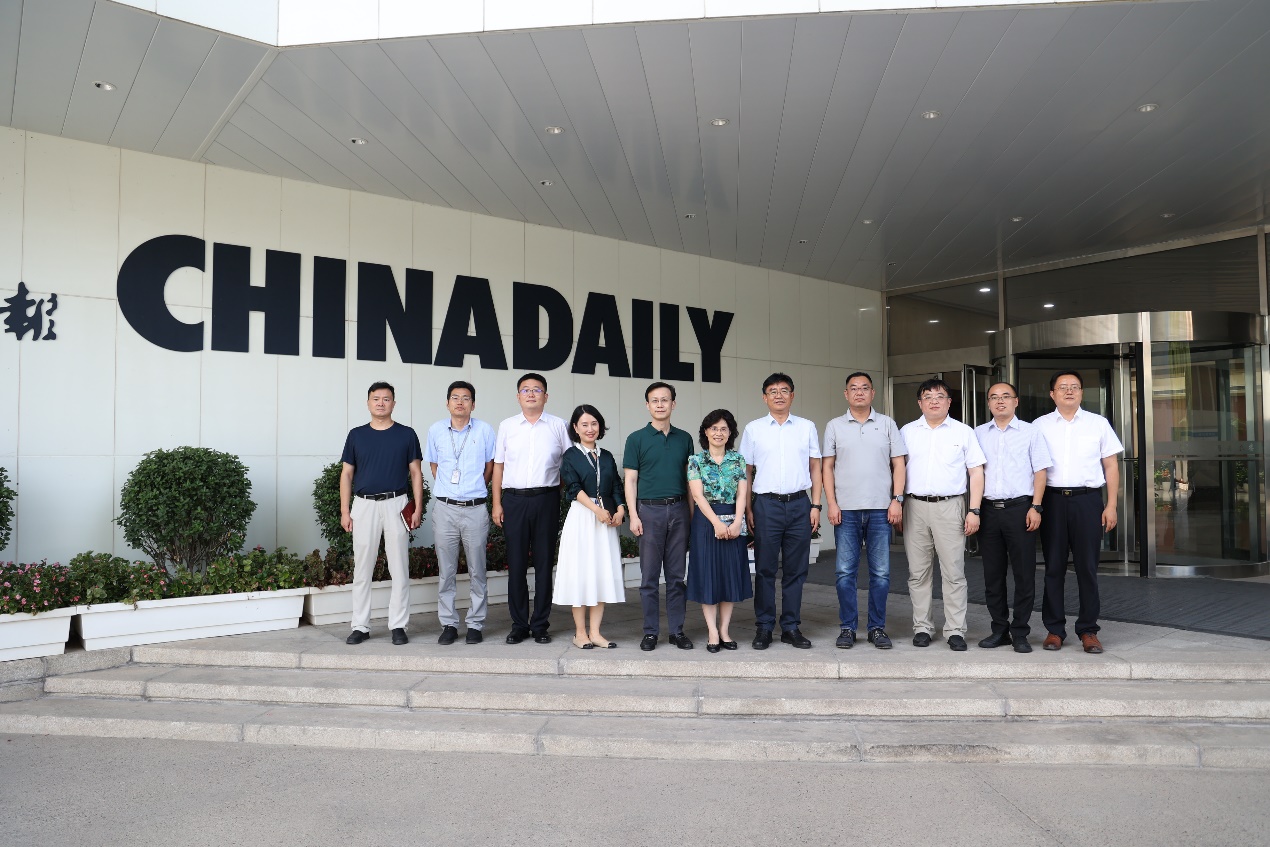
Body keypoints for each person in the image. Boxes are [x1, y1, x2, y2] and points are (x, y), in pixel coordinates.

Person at [1033, 370, 1124, 654]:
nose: (1069, 391)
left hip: (1088, 501)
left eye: (1074, 387)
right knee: (1053, 568)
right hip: (1052, 501)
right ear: (1052, 394)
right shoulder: (1039, 426)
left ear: (1082, 393)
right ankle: (1054, 630)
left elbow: (1111, 466)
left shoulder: (1098, 424)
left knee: (1087, 568)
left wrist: (1111, 505)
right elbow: (1033, 468)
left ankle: (1088, 630)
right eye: (1063, 387)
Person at [821, 372, 906, 650]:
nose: (859, 392)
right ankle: (847, 628)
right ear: (846, 394)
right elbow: (827, 467)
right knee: (845, 573)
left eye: (864, 388)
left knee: (880, 574)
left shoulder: (887, 424)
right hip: (846, 511)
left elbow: (899, 464)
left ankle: (876, 628)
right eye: (854, 388)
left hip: (881, 509)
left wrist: (897, 499)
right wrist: (831, 503)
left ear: (873, 393)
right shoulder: (834, 426)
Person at [899, 378, 985, 651]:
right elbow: (897, 470)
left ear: (949, 402)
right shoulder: (907, 432)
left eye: (940, 396)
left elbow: (976, 472)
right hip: (914, 506)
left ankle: (955, 630)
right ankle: (922, 627)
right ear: (920, 403)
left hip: (951, 506)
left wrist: (974, 510)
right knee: (918, 572)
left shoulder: (963, 432)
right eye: (928, 396)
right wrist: (896, 503)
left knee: (954, 572)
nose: (934, 401)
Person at [339, 381, 424, 646]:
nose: (381, 403)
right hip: (363, 505)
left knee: (399, 566)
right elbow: (347, 474)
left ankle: (398, 625)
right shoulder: (356, 435)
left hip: (396, 503)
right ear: (368, 403)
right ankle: (360, 626)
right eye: (376, 398)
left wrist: (418, 507)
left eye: (386, 399)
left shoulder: (406, 434)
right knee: (362, 568)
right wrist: (344, 510)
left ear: (393, 404)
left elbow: (416, 473)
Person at [741, 373, 822, 650]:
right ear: (764, 397)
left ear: (792, 396)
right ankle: (764, 627)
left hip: (800, 504)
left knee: (796, 569)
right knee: (765, 568)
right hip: (766, 505)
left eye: (784, 390)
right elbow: (746, 472)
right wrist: (748, 507)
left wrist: (815, 505)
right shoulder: (753, 429)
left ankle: (790, 627)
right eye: (773, 391)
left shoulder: (806, 427)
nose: (779, 395)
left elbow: (815, 467)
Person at [491, 373, 571, 645]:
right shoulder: (507, 426)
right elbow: (499, 466)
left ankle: (540, 625)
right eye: (525, 390)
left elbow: (568, 464)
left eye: (537, 390)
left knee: (544, 563)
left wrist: (554, 491)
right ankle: (519, 625)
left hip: (546, 499)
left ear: (546, 396)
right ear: (518, 397)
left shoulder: (559, 425)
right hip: (514, 501)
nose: (531, 394)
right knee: (516, 564)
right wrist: (497, 503)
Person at [973, 382, 1052, 654]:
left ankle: (1020, 632)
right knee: (992, 575)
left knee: (1024, 574)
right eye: (994, 397)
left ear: (1016, 401)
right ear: (988, 403)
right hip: (988, 511)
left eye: (1006, 396)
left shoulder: (1031, 432)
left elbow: (1040, 472)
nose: (1000, 401)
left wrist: (1036, 506)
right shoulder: (978, 434)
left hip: (1020, 509)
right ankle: (999, 629)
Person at [623, 382, 696, 651]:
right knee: (649, 578)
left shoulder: (684, 439)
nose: (660, 404)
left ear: (673, 404)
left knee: (677, 577)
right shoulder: (636, 439)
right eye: (655, 400)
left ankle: (677, 631)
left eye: (665, 400)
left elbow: (690, 481)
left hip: (679, 509)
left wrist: (691, 516)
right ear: (647, 405)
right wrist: (633, 515)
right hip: (649, 511)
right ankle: (651, 632)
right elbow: (630, 481)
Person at [425, 380, 495, 646]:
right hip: (445, 508)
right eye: (455, 397)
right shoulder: (436, 430)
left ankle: (475, 623)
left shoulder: (485, 430)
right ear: (447, 403)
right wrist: (449, 490)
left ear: (473, 404)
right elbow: (434, 465)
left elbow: (490, 466)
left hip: (475, 509)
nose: (460, 402)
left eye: (466, 398)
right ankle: (449, 624)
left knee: (478, 570)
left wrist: (475, 489)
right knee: (447, 571)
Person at [553, 405, 627, 649]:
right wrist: (596, 510)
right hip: (583, 517)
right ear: (575, 428)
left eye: (594, 423)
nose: (590, 429)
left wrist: (620, 510)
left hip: (605, 519)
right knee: (581, 574)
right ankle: (580, 633)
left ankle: (595, 632)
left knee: (600, 573)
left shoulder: (606, 456)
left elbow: (615, 485)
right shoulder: (570, 456)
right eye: (584, 424)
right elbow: (573, 488)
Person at [686, 409, 752, 653]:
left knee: (728, 576)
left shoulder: (738, 460)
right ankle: (712, 632)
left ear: (730, 433)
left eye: (724, 429)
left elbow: (742, 493)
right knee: (708, 577)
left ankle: (724, 630)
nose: (719, 433)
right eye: (714, 428)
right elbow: (697, 496)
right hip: (706, 522)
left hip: (733, 520)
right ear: (706, 432)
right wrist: (716, 523)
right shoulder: (696, 460)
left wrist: (737, 522)